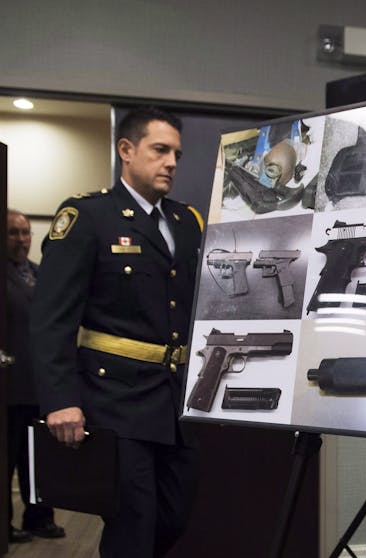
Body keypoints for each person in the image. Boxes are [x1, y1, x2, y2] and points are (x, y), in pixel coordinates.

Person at [30, 107, 203, 558]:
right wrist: (59, 399)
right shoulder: (89, 216)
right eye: (160, 150)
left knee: (175, 516)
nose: (171, 163)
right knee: (133, 522)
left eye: (177, 155)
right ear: (126, 150)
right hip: (115, 400)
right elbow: (52, 318)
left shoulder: (186, 223)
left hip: (175, 401)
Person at [6, 209, 66, 543]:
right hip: (10, 385)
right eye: (13, 233)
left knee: (40, 460)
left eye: (26, 232)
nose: (22, 239)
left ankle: (39, 517)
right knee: (8, 460)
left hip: (40, 386)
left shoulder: (38, 273)